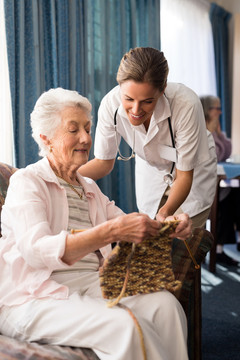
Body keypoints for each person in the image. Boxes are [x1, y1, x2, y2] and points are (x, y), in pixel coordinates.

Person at [0, 88, 192, 360]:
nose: (86, 138)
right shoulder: (27, 182)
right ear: (47, 138)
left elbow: (131, 224)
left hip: (90, 283)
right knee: (123, 326)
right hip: (32, 295)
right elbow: (35, 250)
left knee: (166, 306)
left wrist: (170, 225)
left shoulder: (88, 186)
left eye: (88, 128)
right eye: (73, 129)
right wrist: (110, 232)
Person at [79, 47, 217, 229]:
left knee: (180, 243)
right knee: (151, 247)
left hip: (192, 174)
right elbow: (103, 163)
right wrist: (63, 177)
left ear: (162, 90)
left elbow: (184, 176)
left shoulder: (186, 105)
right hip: (152, 172)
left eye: (147, 101)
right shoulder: (109, 105)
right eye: (128, 99)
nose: (136, 111)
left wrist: (165, 212)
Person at [200, 95, 240, 265]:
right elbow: (214, 156)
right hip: (202, 190)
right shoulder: (201, 132)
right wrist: (211, 130)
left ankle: (226, 246)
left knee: (237, 195)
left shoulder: (213, 131)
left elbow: (227, 151)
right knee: (228, 202)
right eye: (217, 108)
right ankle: (219, 250)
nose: (220, 112)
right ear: (207, 110)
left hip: (217, 186)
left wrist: (218, 132)